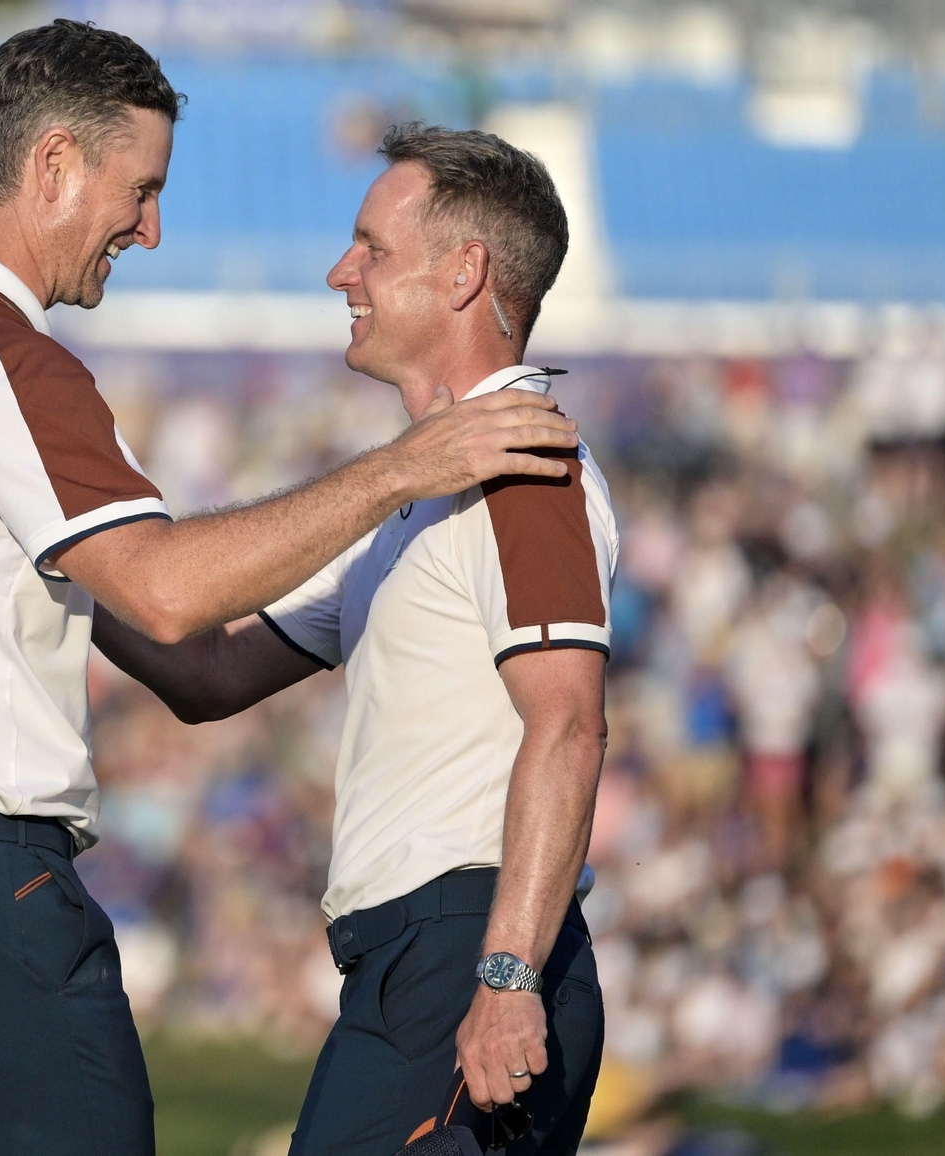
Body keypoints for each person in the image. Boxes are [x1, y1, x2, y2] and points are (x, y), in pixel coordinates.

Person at [0, 22, 579, 1156]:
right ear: (54, 164)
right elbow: (164, 593)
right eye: (141, 189)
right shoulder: (12, 360)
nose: (149, 229)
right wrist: (410, 464)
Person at [94, 124, 614, 1155]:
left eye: (371, 247)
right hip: (415, 959)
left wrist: (504, 977)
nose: (342, 272)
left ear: (465, 272)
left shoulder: (525, 462)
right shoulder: (420, 487)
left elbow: (569, 723)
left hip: (469, 948)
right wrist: (60, 570)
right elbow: (210, 672)